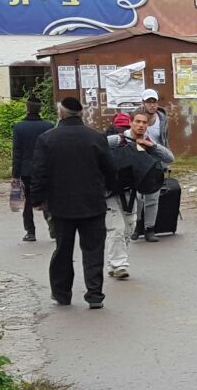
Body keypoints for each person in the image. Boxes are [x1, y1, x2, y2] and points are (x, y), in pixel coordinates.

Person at [28, 97, 113, 309]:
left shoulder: (47, 139)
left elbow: (39, 173)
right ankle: (94, 295)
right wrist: (107, 190)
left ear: (61, 113)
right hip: (93, 204)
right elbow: (111, 169)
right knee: (93, 251)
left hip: (60, 206)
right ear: (81, 114)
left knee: (62, 250)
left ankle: (62, 294)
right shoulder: (96, 137)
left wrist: (37, 200)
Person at [104, 109, 173, 280]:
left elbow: (169, 157)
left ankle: (114, 264)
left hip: (131, 192)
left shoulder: (146, 143)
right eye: (138, 122)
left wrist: (153, 146)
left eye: (144, 122)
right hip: (110, 192)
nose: (141, 125)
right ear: (131, 122)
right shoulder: (117, 140)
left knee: (129, 228)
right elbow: (97, 146)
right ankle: (120, 265)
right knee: (117, 229)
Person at [12, 97, 54, 242]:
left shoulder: (19, 127)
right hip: (46, 169)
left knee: (28, 201)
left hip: (26, 170)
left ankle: (30, 232)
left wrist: (15, 175)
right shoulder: (49, 126)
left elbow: (17, 152)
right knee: (47, 198)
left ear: (27, 108)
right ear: (40, 109)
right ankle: (51, 222)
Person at [132, 89, 170, 242]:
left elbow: (164, 140)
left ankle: (150, 229)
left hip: (155, 162)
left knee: (153, 197)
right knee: (138, 198)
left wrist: (164, 160)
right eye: (149, 102)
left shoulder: (162, 119)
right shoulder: (137, 118)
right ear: (143, 103)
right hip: (138, 160)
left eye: (154, 102)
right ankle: (137, 226)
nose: (152, 105)